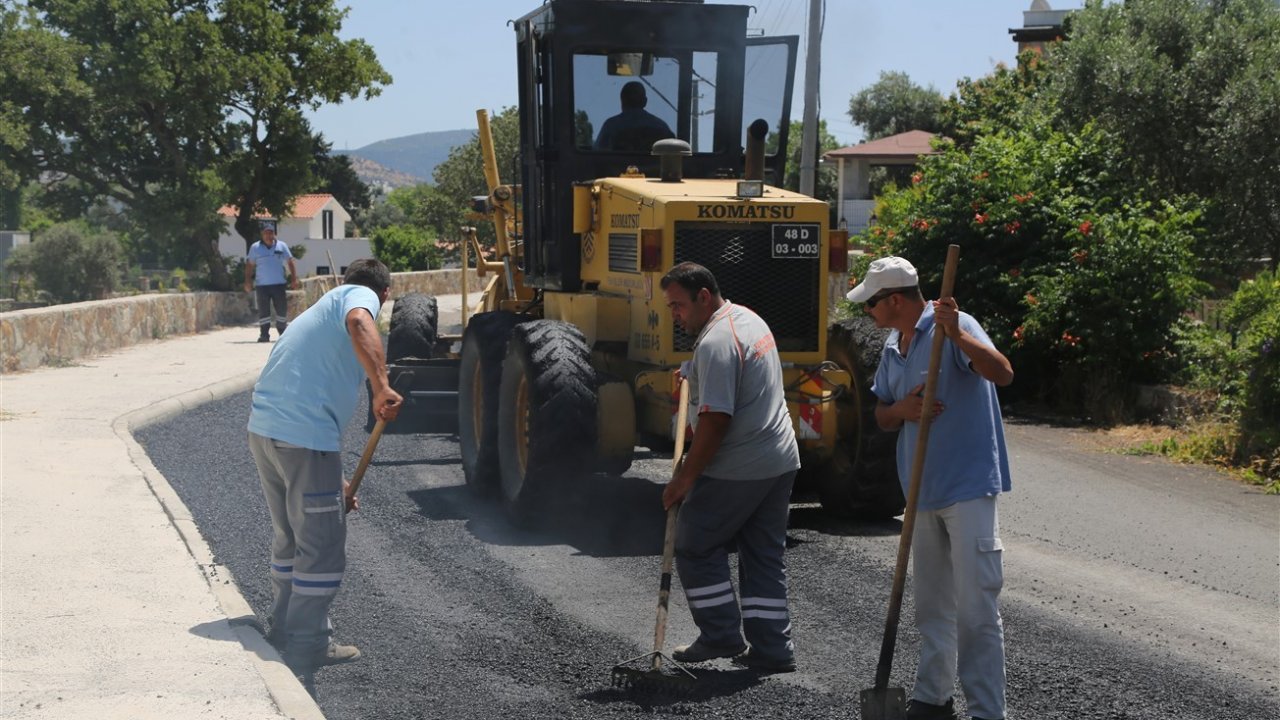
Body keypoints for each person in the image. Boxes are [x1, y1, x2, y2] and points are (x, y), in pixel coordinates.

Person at [848, 256, 1014, 720]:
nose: (867, 312)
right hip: (920, 491)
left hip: (967, 488)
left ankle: (987, 712)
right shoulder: (892, 346)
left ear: (895, 300)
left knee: (976, 608)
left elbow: (1002, 373)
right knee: (932, 606)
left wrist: (957, 335)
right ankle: (932, 698)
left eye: (871, 303)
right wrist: (901, 411)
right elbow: (882, 415)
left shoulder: (955, 327)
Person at [247, 258, 403, 689]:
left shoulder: (321, 308)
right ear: (384, 294)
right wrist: (381, 386)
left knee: (291, 537)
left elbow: (310, 389)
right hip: (301, 438)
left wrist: (336, 485)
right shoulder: (360, 299)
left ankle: (283, 628)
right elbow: (359, 321)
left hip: (266, 431)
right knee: (321, 547)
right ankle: (308, 643)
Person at [659, 262, 801, 673]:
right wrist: (693, 372)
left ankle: (721, 633)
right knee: (763, 553)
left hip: (740, 465)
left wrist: (684, 479)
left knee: (695, 543)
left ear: (703, 296)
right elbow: (736, 372)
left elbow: (716, 420)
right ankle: (773, 648)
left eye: (678, 306)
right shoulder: (746, 320)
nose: (674, 315)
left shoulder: (716, 343)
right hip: (779, 459)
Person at [244, 222, 300, 342]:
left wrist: (294, 279)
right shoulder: (255, 247)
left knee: (281, 310)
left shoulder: (282, 246)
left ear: (274, 234)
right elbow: (249, 265)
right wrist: (248, 281)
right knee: (264, 311)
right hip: (262, 286)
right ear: (262, 234)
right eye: (266, 233)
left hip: (279, 284)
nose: (268, 236)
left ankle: (283, 333)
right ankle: (264, 334)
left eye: (271, 233)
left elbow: (290, 262)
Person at [593, 80, 675, 152]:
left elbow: (599, 154)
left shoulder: (611, 126)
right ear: (645, 101)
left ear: (622, 101)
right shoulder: (662, 127)